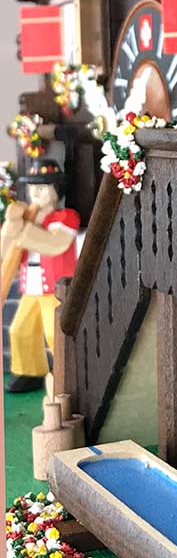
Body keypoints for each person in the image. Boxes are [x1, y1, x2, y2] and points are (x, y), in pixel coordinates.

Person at [1, 159, 79, 393]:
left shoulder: (66, 216)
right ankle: (29, 371)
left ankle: (67, 374)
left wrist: (22, 228)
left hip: (55, 287)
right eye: (33, 187)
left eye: (43, 187)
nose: (36, 193)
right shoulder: (27, 216)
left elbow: (54, 244)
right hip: (31, 286)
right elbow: (6, 249)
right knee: (20, 329)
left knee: (54, 333)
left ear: (57, 190)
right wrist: (11, 223)